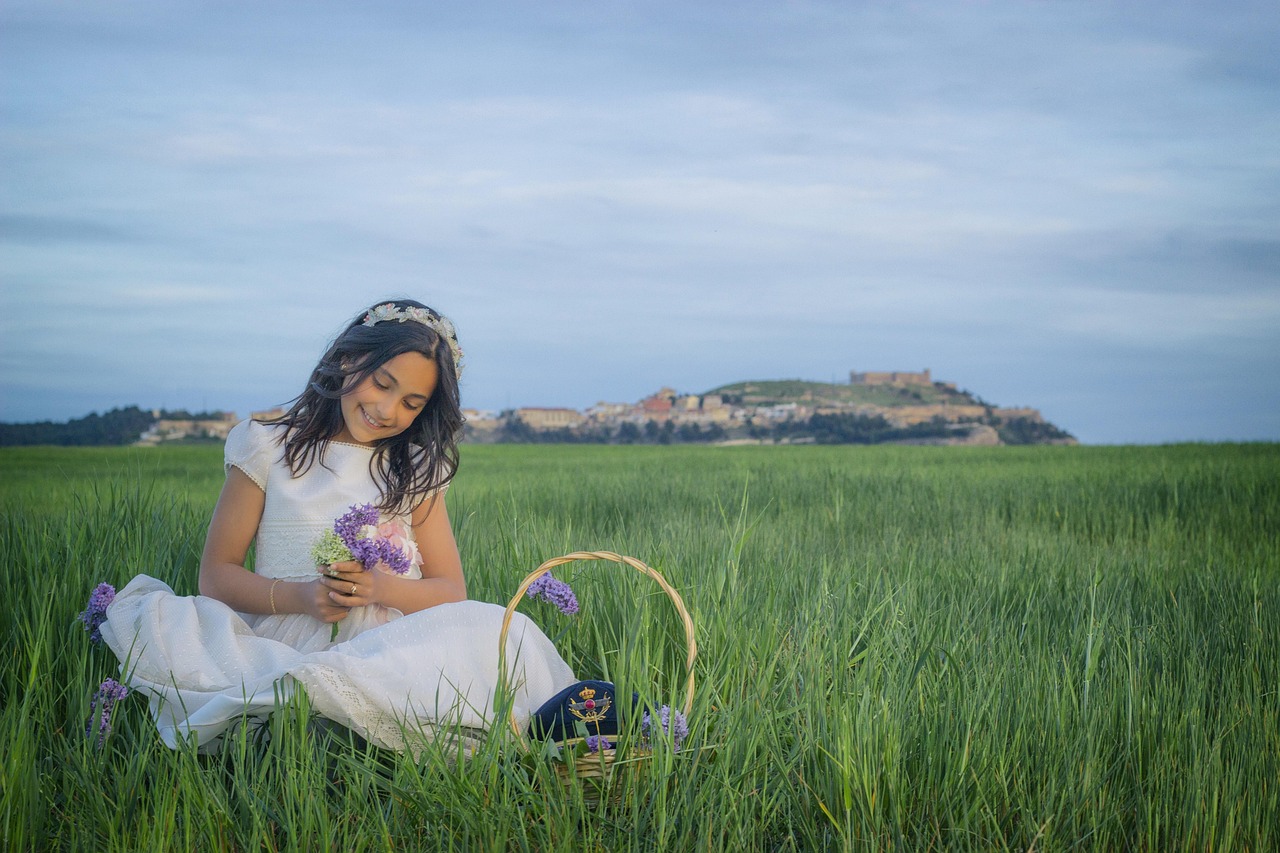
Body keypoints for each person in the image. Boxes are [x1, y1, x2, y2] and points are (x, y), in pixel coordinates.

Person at [102, 299, 576, 752]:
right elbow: (217, 573)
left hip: (399, 636)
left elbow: (451, 589)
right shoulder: (268, 448)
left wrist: (378, 589)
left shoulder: (413, 467)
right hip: (296, 626)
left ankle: (564, 736)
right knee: (306, 693)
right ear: (348, 359)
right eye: (382, 383)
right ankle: (325, 728)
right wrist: (303, 596)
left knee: (502, 631)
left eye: (412, 403)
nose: (389, 410)